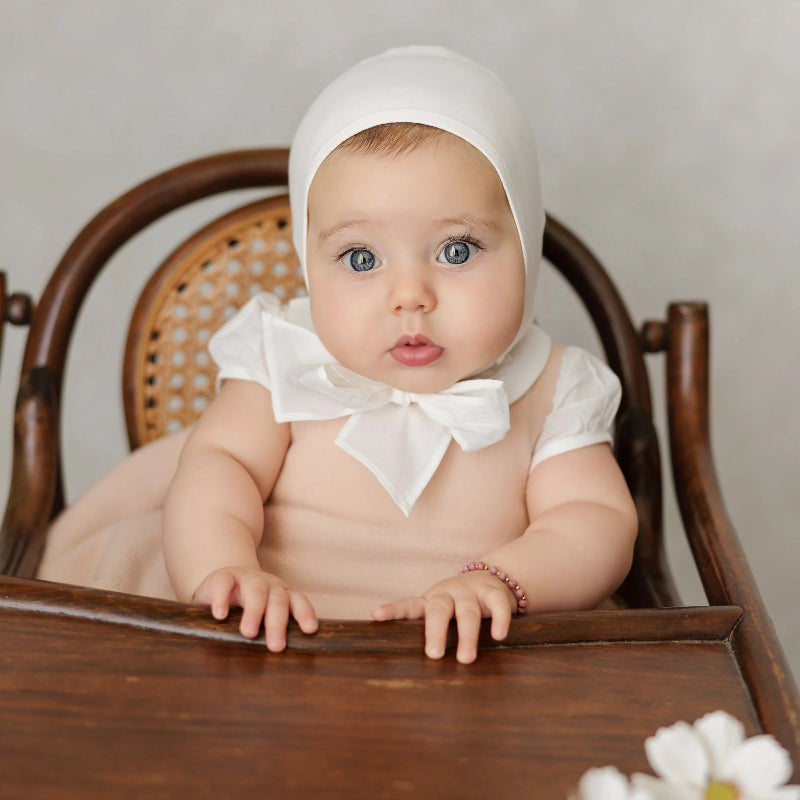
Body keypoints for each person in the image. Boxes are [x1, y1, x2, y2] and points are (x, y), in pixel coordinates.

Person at [37, 46, 637, 664]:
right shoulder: (282, 356)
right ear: (308, 261)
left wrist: (503, 581)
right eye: (360, 259)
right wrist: (226, 568)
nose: (410, 297)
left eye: (457, 251)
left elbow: (591, 519)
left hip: (467, 652)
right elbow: (220, 467)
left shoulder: (556, 385)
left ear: (526, 246)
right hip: (271, 629)